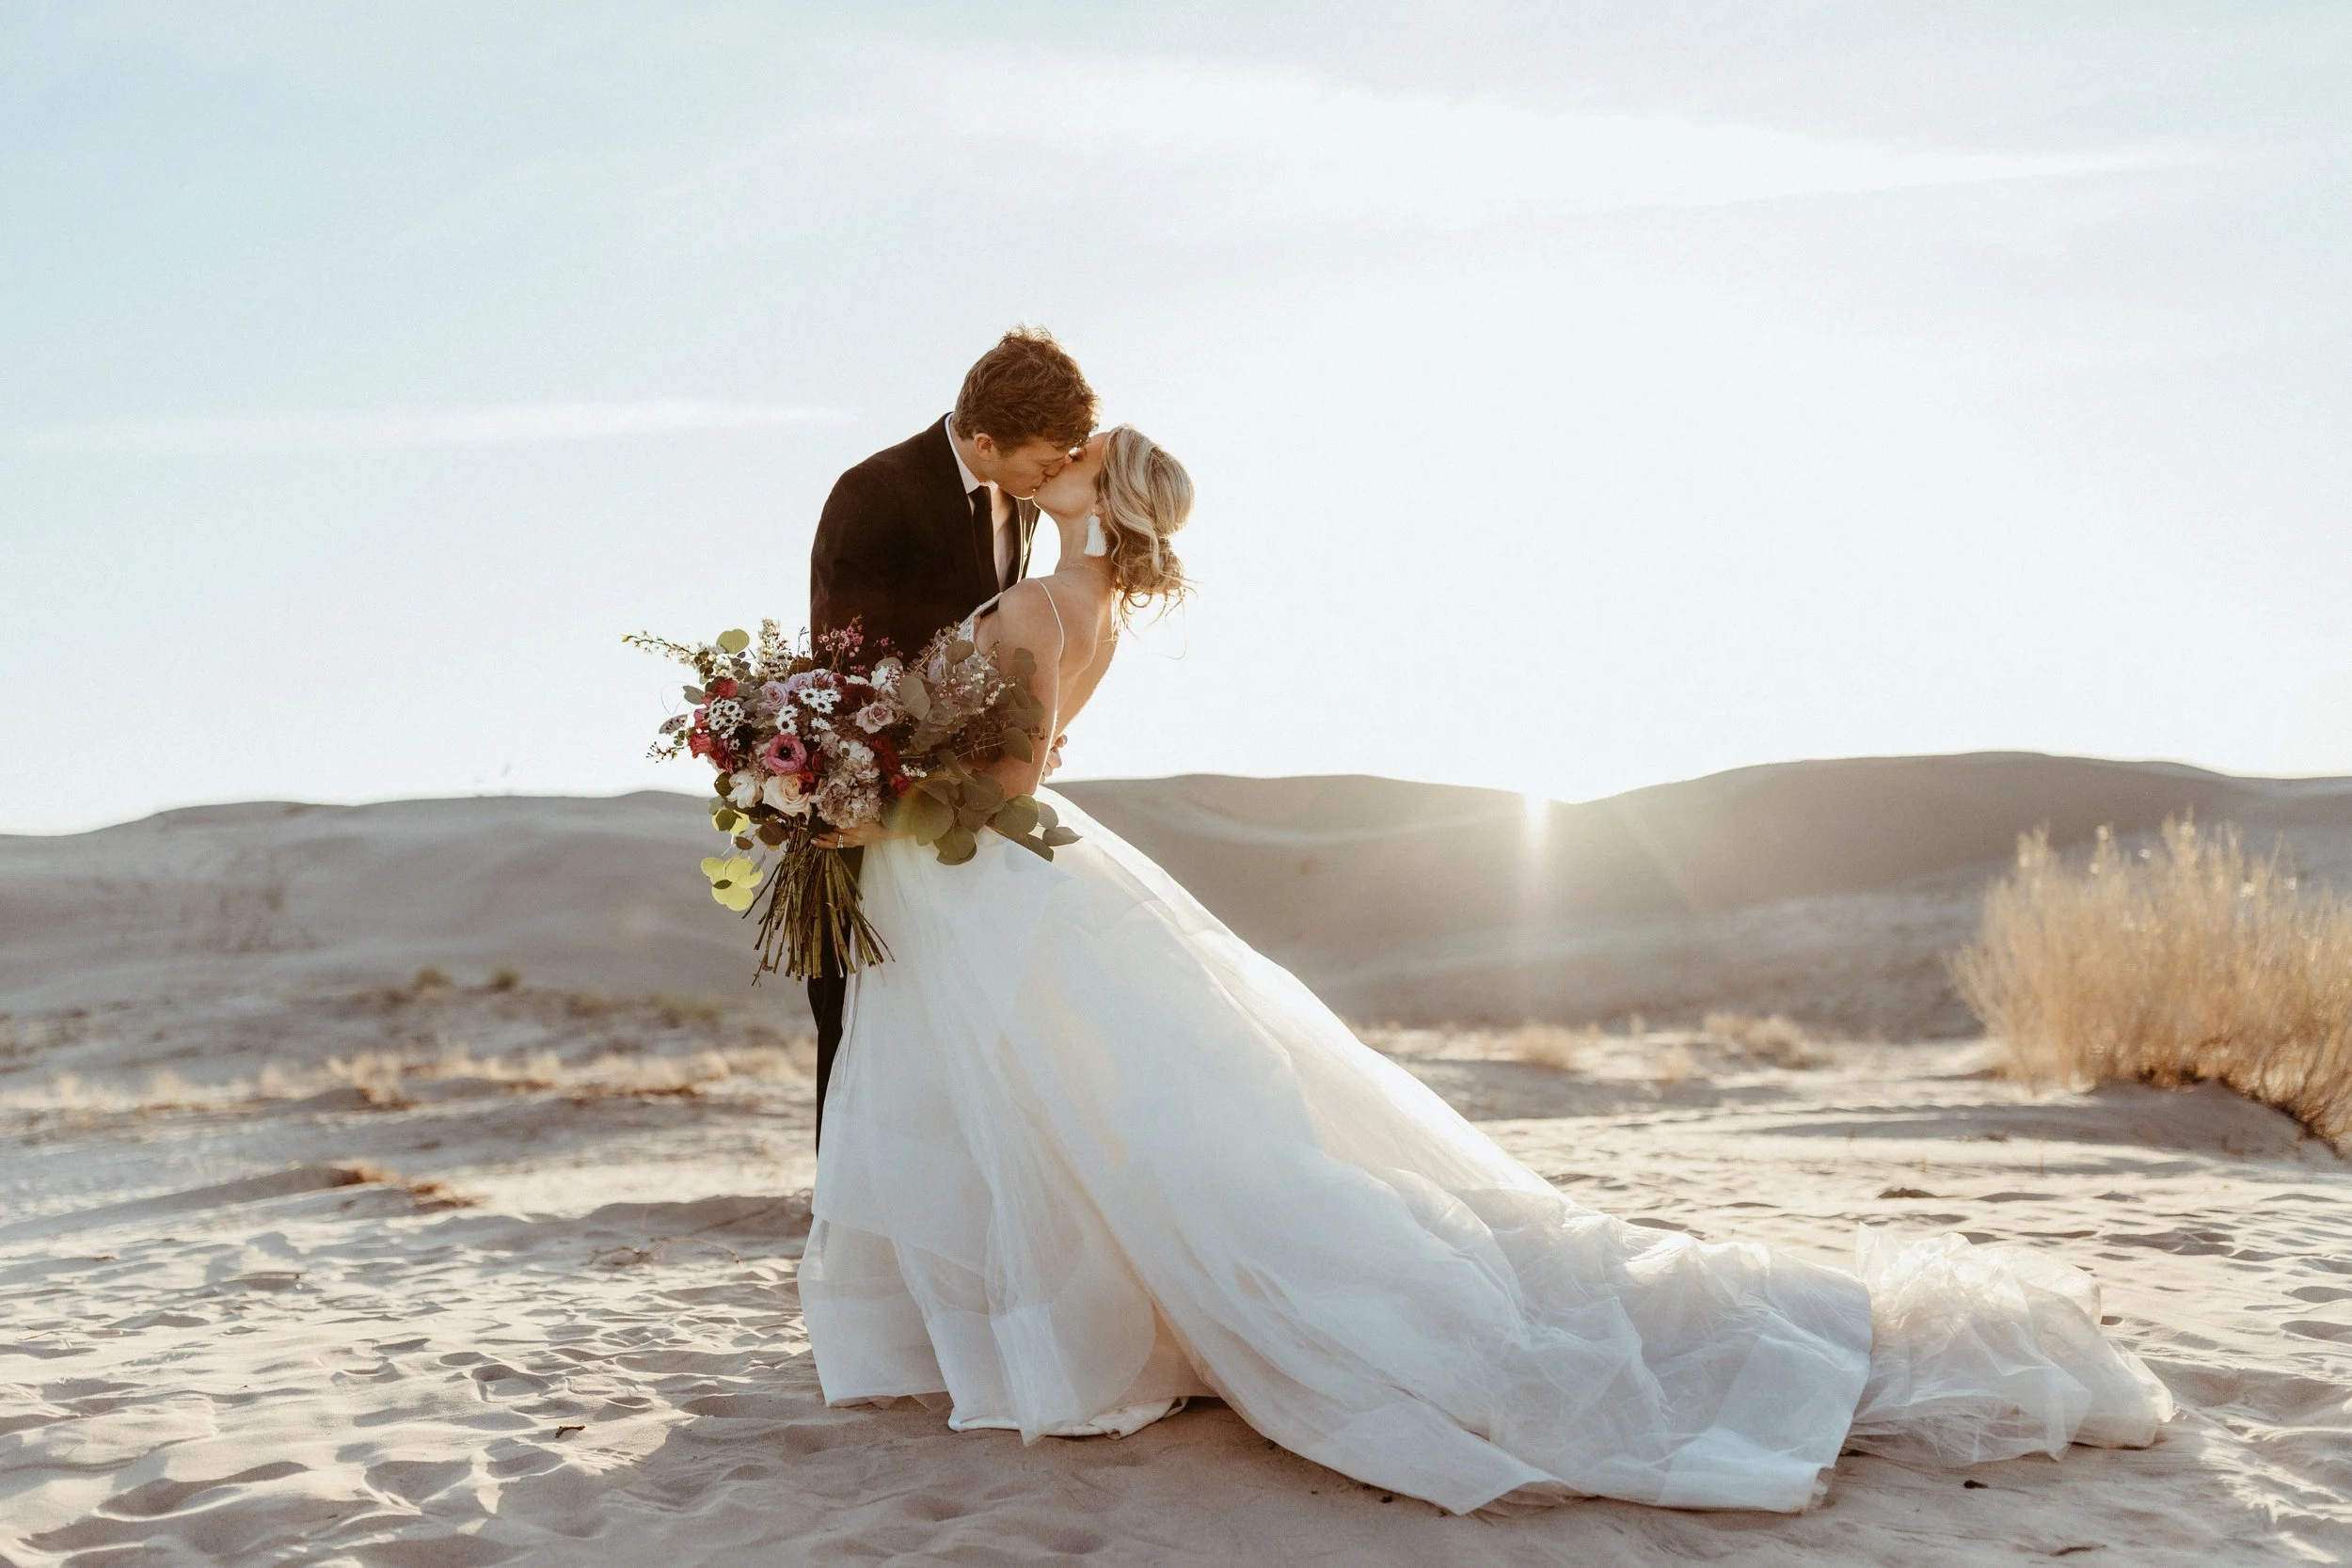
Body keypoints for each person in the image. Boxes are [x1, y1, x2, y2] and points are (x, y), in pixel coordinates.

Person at [798, 428, 2175, 1515]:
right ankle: (1069, 1314)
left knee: (1087, 1104)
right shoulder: (1083, 599)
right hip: (997, 873)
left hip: (980, 859)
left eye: (1079, 458)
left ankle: (1102, 1323)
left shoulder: (1045, 601)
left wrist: (877, 791)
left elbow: (1013, 774)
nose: (1056, 459)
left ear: (1097, 495)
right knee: (1074, 1104)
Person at [804, 326, 1094, 1148]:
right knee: (859, 1026)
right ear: (986, 440)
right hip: (863, 810)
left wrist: (1018, 730)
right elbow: (845, 667)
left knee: (950, 1025)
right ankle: (849, 1215)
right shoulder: (874, 492)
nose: (1055, 472)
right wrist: (887, 802)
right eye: (1046, 457)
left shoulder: (1020, 502)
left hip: (956, 815)